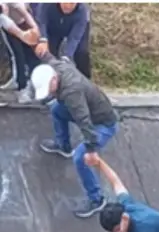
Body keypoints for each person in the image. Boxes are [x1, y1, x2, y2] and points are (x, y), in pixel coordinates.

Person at [29, 51, 118, 218]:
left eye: (49, 89)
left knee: (80, 157)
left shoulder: (72, 94)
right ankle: (63, 146)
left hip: (102, 124)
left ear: (54, 80)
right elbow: (48, 57)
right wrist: (37, 45)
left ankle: (96, 199)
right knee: (56, 109)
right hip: (92, 114)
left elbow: (84, 121)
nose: (49, 93)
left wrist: (91, 149)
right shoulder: (55, 67)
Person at [33, 2, 92, 78]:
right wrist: (43, 39)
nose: (67, 6)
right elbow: (41, 21)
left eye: (72, 3)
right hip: (53, 26)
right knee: (48, 54)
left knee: (82, 52)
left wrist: (66, 56)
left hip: (75, 28)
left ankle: (85, 81)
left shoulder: (82, 11)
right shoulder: (46, 4)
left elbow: (74, 37)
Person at [0, 2, 39, 102]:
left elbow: (7, 21)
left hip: (22, 23)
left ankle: (33, 85)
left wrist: (33, 30)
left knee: (31, 55)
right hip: (11, 27)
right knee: (18, 54)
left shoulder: (13, 5)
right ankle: (22, 87)